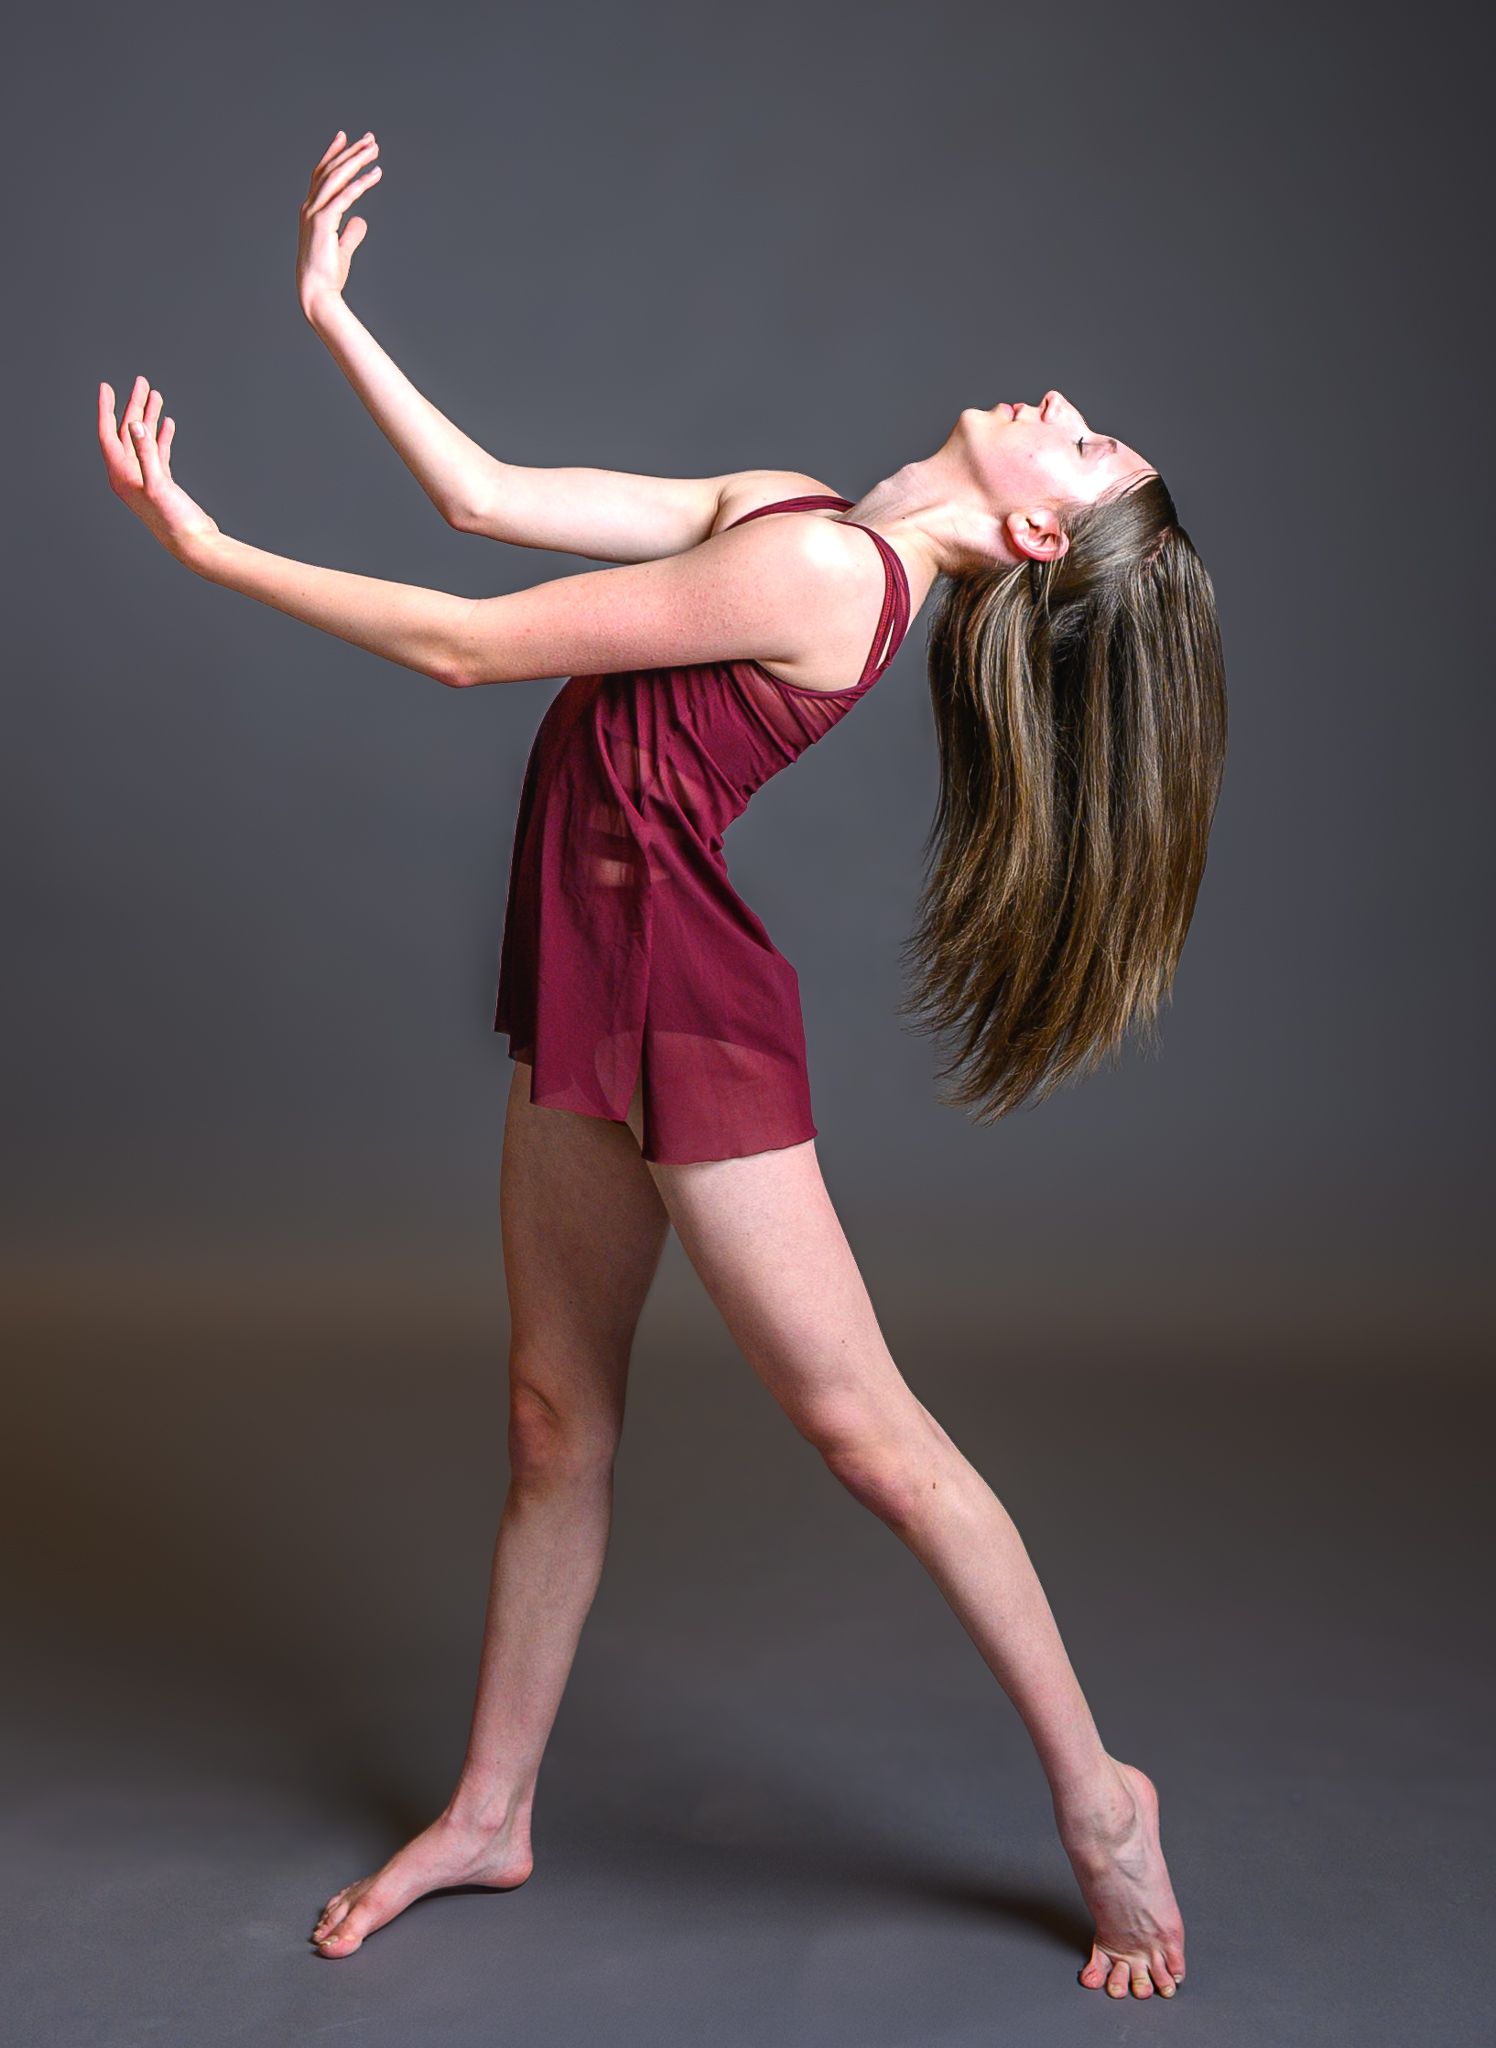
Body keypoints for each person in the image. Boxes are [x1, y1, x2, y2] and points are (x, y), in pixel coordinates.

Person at [98, 129, 1226, 2000]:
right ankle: (493, 1808)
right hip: (586, 973)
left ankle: (1104, 1799)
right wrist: (330, 320)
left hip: (686, 1007)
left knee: (867, 1435)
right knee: (557, 1422)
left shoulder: (831, 580)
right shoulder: (794, 513)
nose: (1069, 410)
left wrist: (209, 550)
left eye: (1090, 450)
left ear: (1037, 532)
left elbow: (470, 653)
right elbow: (481, 504)